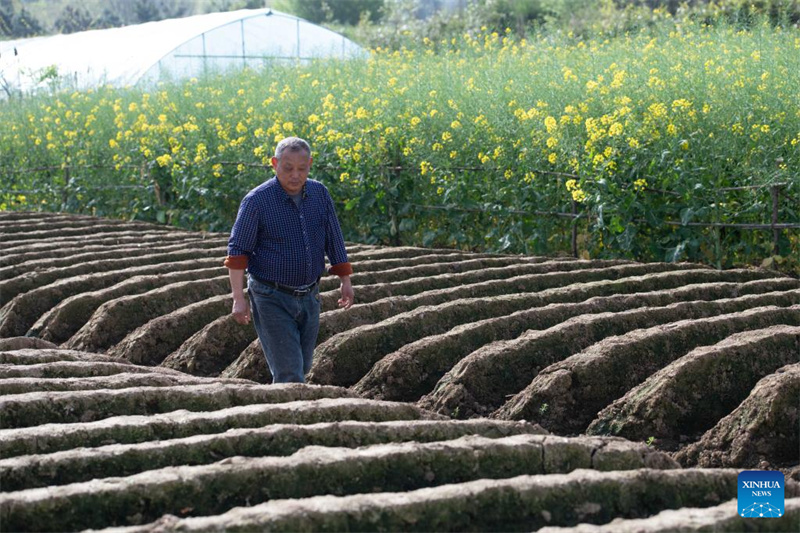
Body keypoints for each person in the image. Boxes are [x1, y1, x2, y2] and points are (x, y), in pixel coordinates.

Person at [224, 137, 354, 383]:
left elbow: (333, 237)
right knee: (290, 375)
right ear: (275, 164)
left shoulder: (319, 194)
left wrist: (345, 280)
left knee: (302, 366)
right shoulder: (257, 201)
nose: (295, 175)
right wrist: (238, 298)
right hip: (271, 296)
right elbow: (238, 252)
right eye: (288, 168)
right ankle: (288, 418)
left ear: (310, 165)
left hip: (310, 296)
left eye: (301, 169)